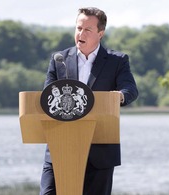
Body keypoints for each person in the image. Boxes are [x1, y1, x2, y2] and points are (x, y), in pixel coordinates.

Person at [40, 7, 138, 195]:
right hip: (60, 147)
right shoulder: (59, 59)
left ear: (100, 33)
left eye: (87, 30)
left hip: (99, 151)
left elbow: (131, 90)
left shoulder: (117, 61)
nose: (80, 34)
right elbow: (47, 95)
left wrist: (119, 96)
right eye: (78, 28)